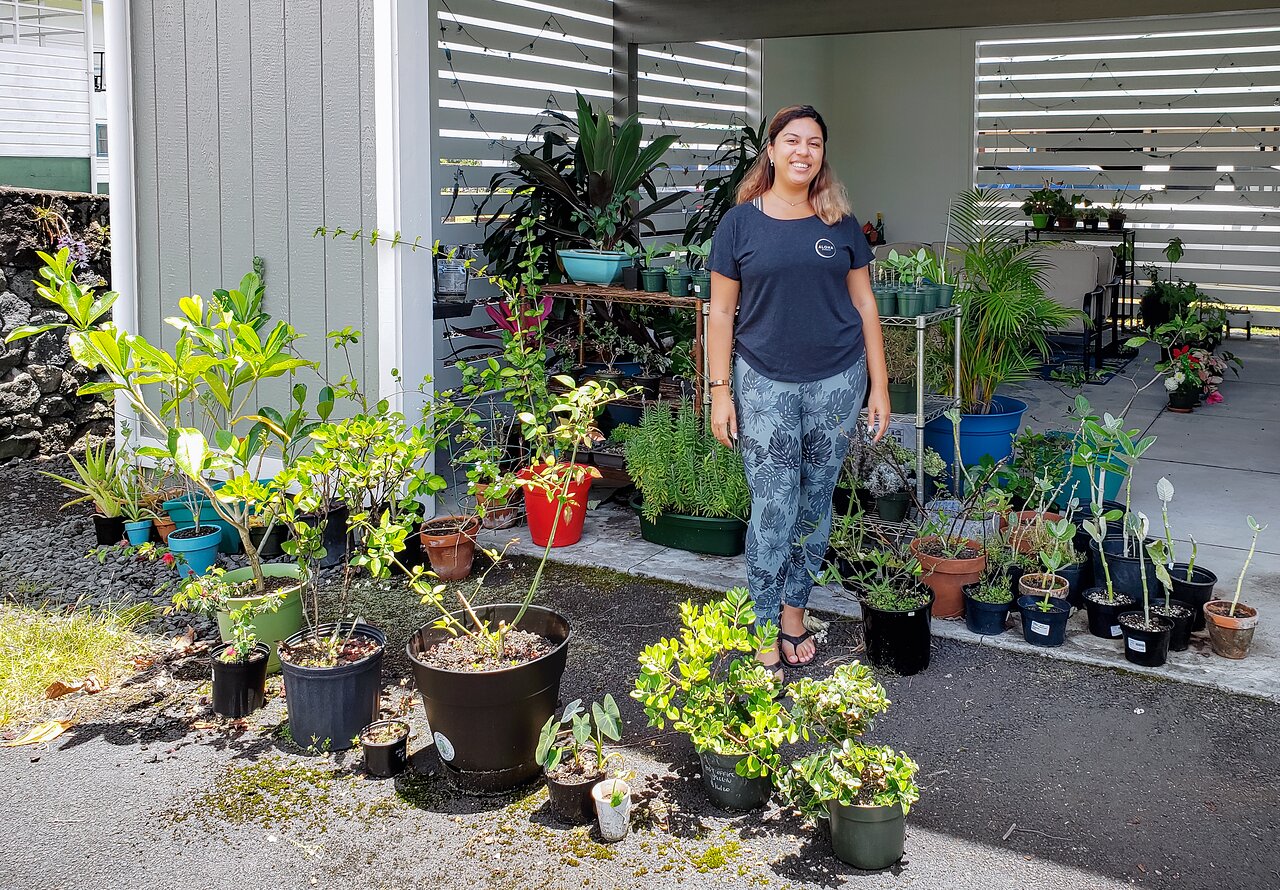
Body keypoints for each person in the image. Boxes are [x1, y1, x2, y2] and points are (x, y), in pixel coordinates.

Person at [706, 104, 890, 678]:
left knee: (814, 502)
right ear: (772, 149)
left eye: (813, 143)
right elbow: (720, 316)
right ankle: (761, 624)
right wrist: (719, 390)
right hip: (762, 382)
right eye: (792, 140)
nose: (802, 151)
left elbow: (865, 306)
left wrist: (879, 388)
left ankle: (793, 612)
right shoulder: (739, 224)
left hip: (837, 380)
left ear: (822, 155)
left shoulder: (839, 222)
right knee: (773, 505)